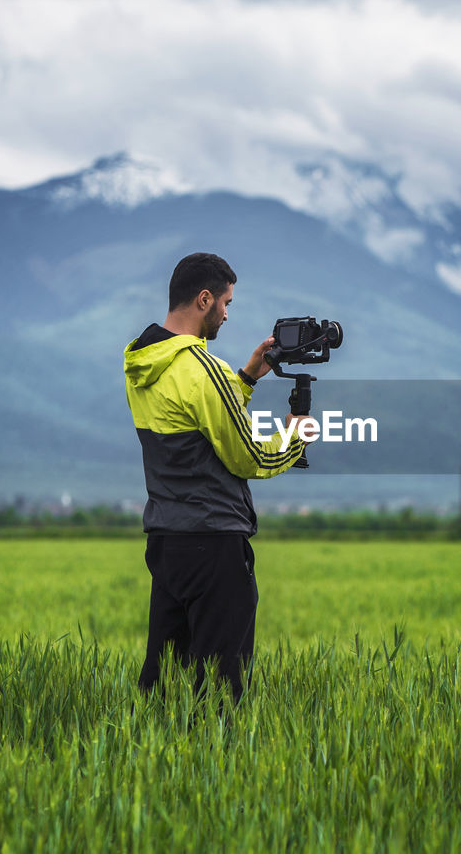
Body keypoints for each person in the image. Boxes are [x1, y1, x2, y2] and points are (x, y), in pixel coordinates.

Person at [123, 252, 306, 704]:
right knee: (220, 691)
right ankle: (212, 771)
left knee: (164, 684)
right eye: (226, 302)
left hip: (167, 542)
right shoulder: (204, 369)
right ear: (204, 299)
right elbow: (246, 457)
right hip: (216, 544)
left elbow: (194, 429)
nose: (226, 312)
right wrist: (294, 437)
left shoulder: (143, 365)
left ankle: (150, 768)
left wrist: (243, 378)